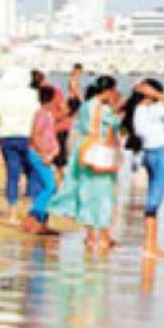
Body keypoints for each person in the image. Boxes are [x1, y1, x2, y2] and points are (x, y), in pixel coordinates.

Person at [48, 75, 123, 253]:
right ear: (109, 90)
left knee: (88, 193)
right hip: (98, 151)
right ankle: (104, 236)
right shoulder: (102, 109)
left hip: (83, 150)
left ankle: (90, 236)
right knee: (104, 195)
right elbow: (110, 129)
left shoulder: (86, 105)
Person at [129, 79, 164, 259]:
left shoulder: (137, 110)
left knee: (152, 200)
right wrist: (157, 95)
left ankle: (150, 244)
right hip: (161, 153)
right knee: (155, 201)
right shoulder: (152, 110)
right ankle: (150, 246)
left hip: (147, 153)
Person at [0, 67, 39, 223]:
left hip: (7, 137)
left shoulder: (0, 97)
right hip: (28, 136)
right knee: (32, 172)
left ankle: (12, 213)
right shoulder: (33, 95)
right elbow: (39, 115)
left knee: (12, 174)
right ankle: (31, 210)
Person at [24, 86, 60, 236]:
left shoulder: (46, 114)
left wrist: (55, 148)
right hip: (39, 154)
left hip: (42, 154)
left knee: (41, 187)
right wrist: (44, 154)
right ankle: (33, 215)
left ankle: (41, 223)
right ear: (51, 99)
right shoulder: (42, 115)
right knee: (50, 187)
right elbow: (35, 135)